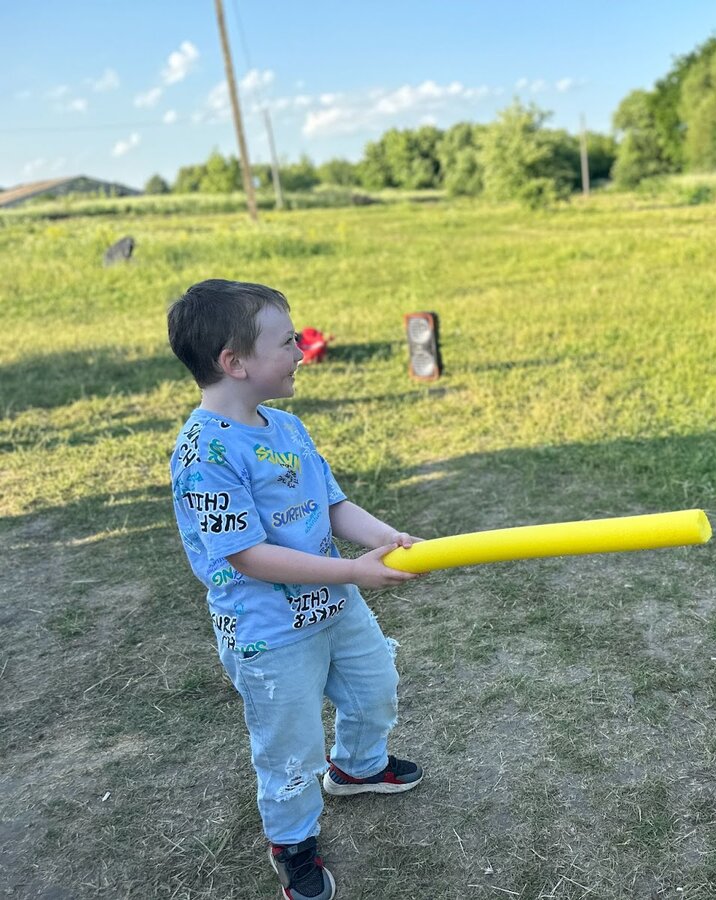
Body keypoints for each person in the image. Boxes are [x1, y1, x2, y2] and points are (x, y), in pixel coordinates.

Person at [168, 279, 426, 899]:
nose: (300, 352)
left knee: (374, 687)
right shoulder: (204, 453)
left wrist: (386, 537)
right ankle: (292, 841)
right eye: (287, 343)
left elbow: (332, 505)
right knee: (290, 747)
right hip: (270, 633)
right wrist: (356, 571)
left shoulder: (285, 426)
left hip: (336, 604)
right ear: (235, 362)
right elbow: (249, 557)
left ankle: (358, 768)